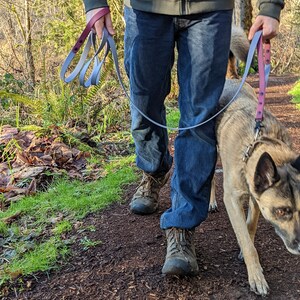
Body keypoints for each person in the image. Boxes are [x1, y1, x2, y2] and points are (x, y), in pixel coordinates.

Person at [82, 0, 284, 276]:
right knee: (144, 103)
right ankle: (154, 169)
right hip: (145, 9)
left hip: (210, 9)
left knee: (199, 117)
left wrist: (269, 7)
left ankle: (182, 224)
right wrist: (94, 4)